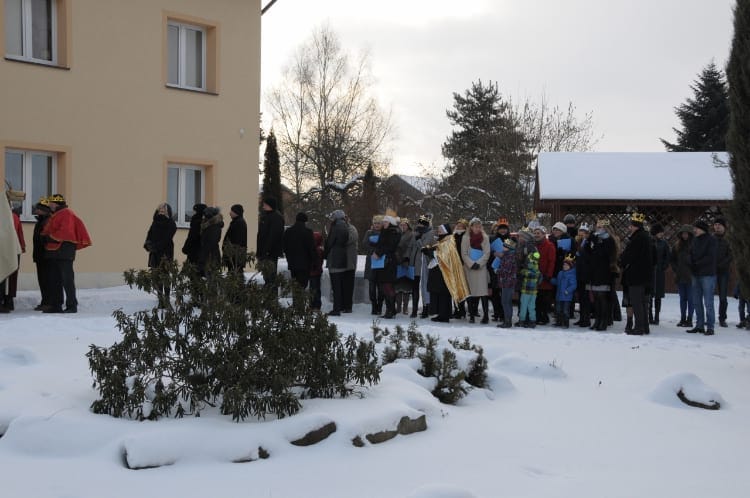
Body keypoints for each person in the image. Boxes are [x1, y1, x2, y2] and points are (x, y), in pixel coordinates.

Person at [40, 194, 92, 313]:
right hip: (54, 251)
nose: (49, 205)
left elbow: (65, 232)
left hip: (64, 251)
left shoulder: (66, 213)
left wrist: (48, 237)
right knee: (54, 279)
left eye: (51, 203)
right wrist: (44, 236)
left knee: (67, 279)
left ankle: (71, 305)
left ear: (56, 204)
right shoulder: (58, 214)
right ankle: (56, 305)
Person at [619, 213, 653, 335]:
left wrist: (621, 261)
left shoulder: (637, 239)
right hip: (646, 276)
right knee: (643, 302)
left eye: (631, 225)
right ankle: (645, 326)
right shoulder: (647, 237)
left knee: (637, 302)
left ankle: (639, 328)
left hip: (636, 275)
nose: (629, 228)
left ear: (635, 226)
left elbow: (629, 255)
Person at [586, 219, 618, 331]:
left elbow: (608, 254)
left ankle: (604, 320)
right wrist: (590, 239)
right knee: (595, 297)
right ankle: (597, 319)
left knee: (602, 297)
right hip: (594, 271)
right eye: (597, 227)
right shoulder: (593, 238)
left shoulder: (609, 240)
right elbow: (588, 251)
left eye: (601, 227)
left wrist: (599, 243)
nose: (598, 229)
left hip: (604, 272)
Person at [144, 202, 177, 308]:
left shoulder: (171, 223)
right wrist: (148, 244)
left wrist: (156, 247)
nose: (161, 212)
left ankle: (166, 300)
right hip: (155, 253)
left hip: (165, 253)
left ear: (168, 212)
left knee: (166, 276)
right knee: (157, 276)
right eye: (160, 210)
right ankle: (160, 299)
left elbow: (167, 238)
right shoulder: (155, 222)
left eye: (164, 211)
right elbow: (149, 234)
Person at [688, 219, 717, 335]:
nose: (694, 230)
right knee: (696, 301)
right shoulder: (694, 240)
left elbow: (711, 257)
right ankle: (699, 325)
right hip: (695, 274)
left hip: (707, 275)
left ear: (702, 229)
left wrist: (696, 264)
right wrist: (690, 263)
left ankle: (710, 327)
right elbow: (690, 253)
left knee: (708, 302)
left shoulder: (711, 240)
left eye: (696, 228)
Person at [283, 212, 316, 306]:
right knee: (302, 285)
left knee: (295, 285)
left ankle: (296, 304)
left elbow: (284, 247)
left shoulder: (288, 231)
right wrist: (314, 261)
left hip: (293, 263)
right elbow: (311, 248)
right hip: (305, 264)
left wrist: (289, 257)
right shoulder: (308, 232)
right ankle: (300, 305)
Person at [461, 217, 490, 323]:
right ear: (471, 227)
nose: (477, 228)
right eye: (475, 226)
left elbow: (487, 253)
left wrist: (479, 263)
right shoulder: (466, 238)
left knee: (483, 292)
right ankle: (472, 315)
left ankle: (486, 316)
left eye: (479, 226)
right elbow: (463, 253)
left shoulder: (485, 237)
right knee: (470, 292)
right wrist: (471, 264)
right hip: (469, 268)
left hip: (480, 268)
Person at [372, 215, 401, 318]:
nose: (383, 223)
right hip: (384, 262)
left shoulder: (393, 232)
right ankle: (390, 310)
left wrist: (378, 253)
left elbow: (389, 246)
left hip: (389, 262)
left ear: (390, 223)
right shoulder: (386, 231)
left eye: (385, 222)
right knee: (385, 286)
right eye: (383, 222)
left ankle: (391, 310)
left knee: (388, 286)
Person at [323, 209, 349, 316]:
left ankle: (336, 308)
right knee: (341, 284)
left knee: (336, 285)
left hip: (334, 258)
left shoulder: (335, 227)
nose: (331, 219)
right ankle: (341, 306)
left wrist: (325, 252)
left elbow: (330, 242)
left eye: (333, 216)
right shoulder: (345, 226)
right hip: (343, 256)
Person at [0, 200, 25, 313]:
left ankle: (4, 301)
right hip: (14, 250)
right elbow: (20, 234)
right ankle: (9, 301)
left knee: (3, 276)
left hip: (5, 250)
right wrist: (22, 247)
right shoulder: (14, 216)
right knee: (11, 277)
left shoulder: (7, 217)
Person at [256, 197, 285, 291]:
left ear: (270, 205)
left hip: (270, 253)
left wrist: (266, 251)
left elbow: (273, 236)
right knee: (267, 278)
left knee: (271, 278)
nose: (263, 205)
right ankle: (269, 300)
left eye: (265, 204)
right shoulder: (266, 216)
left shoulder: (276, 217)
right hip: (265, 253)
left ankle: (272, 301)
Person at [670, 225, 695, 327]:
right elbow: (672, 259)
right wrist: (676, 269)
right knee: (682, 299)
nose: (685, 235)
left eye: (687, 233)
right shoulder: (677, 246)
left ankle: (689, 319)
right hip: (680, 275)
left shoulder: (694, 245)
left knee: (690, 299)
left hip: (691, 276)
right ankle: (682, 318)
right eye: (683, 233)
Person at [31, 199, 53, 311]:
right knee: (42, 280)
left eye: (38, 209)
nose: (36, 210)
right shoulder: (40, 221)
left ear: (44, 211)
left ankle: (48, 302)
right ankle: (45, 301)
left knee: (46, 280)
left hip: (46, 256)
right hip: (40, 255)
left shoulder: (47, 221)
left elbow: (45, 239)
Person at [533, 226, 556, 325]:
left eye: (539, 233)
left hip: (544, 276)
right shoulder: (533, 245)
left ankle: (544, 317)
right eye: (535, 233)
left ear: (543, 234)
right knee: (536, 298)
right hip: (534, 275)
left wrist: (548, 274)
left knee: (544, 299)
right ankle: (538, 317)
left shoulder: (549, 245)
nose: (537, 235)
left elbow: (552, 261)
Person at [363, 215, 384, 315]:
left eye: (378, 223)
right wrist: (373, 252)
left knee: (381, 286)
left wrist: (379, 252)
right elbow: (365, 244)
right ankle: (374, 306)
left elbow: (387, 245)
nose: (376, 225)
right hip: (371, 261)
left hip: (381, 261)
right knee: (372, 286)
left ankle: (379, 306)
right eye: (375, 223)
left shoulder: (385, 233)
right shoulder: (369, 233)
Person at [415, 214, 435, 318]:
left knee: (426, 285)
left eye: (421, 224)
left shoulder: (430, 233)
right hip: (420, 262)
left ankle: (427, 307)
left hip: (426, 262)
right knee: (422, 286)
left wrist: (418, 239)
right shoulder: (420, 232)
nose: (419, 225)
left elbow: (424, 246)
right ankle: (425, 305)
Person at [713, 217, 732, 327]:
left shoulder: (728, 240)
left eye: (719, 225)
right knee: (708, 296)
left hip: (723, 272)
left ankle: (722, 318)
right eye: (715, 224)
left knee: (723, 297)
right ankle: (709, 317)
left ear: (724, 227)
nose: (717, 226)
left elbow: (730, 255)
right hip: (711, 271)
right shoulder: (711, 239)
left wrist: (722, 264)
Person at [495, 238, 518, 329]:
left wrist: (497, 270)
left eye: (504, 246)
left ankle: (507, 321)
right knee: (506, 302)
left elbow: (506, 270)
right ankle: (507, 320)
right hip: (507, 282)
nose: (502, 247)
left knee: (505, 302)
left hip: (508, 283)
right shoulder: (508, 255)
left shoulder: (509, 257)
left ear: (508, 248)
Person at [395, 218, 416, 315]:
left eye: (405, 225)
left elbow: (410, 247)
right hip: (398, 261)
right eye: (401, 225)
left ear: (408, 226)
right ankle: (398, 306)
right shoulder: (398, 234)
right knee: (398, 286)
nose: (403, 227)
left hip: (407, 261)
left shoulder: (411, 235)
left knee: (406, 287)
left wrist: (406, 258)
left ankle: (405, 307)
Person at [649, 223, 669, 325]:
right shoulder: (649, 242)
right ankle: (650, 316)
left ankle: (657, 316)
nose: (662, 234)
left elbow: (667, 257)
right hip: (650, 272)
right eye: (660, 232)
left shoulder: (664, 244)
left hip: (660, 272)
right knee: (649, 295)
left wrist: (663, 266)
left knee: (658, 296)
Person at [573, 223, 592, 327]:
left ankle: (586, 319)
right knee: (581, 297)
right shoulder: (579, 243)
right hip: (579, 272)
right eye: (579, 232)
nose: (580, 234)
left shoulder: (588, 243)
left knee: (585, 297)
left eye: (583, 232)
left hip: (585, 273)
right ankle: (582, 318)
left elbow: (589, 257)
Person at [517, 249, 541, 328]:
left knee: (523, 306)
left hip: (525, 291)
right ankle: (532, 321)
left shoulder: (526, 271)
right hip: (534, 293)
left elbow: (522, 272)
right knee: (532, 307)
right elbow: (540, 281)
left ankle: (522, 321)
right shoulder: (538, 272)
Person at [222, 204, 248, 275]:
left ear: (237, 212)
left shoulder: (239, 223)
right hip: (233, 255)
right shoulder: (236, 222)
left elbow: (237, 241)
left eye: (232, 211)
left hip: (235, 256)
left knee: (235, 274)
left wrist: (230, 252)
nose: (230, 213)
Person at [199, 206, 224, 277]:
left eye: (205, 215)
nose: (203, 217)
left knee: (211, 279)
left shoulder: (214, 227)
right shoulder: (209, 226)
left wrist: (203, 258)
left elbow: (210, 243)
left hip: (211, 257)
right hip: (209, 256)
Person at [553, 256, 577, 329]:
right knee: (558, 309)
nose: (565, 266)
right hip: (559, 296)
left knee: (565, 310)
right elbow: (557, 282)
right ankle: (559, 322)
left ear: (570, 266)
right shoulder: (560, 273)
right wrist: (552, 280)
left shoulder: (571, 275)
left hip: (566, 296)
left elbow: (574, 285)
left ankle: (566, 323)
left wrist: (568, 290)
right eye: (564, 265)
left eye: (566, 265)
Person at [342, 215, 359, 313]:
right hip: (344, 262)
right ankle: (344, 305)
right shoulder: (345, 228)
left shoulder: (351, 229)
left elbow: (350, 239)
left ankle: (348, 306)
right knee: (344, 285)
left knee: (348, 285)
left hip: (350, 263)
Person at [182, 203, 207, 267]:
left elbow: (192, 236)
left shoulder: (197, 222)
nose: (193, 212)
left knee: (193, 270)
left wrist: (186, 247)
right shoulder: (204, 221)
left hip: (194, 249)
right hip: (199, 250)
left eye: (194, 211)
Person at [309, 231, 325, 312]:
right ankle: (315, 305)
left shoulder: (314, 249)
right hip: (318, 272)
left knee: (313, 289)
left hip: (313, 271)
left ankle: (313, 305)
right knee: (316, 289)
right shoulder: (320, 249)